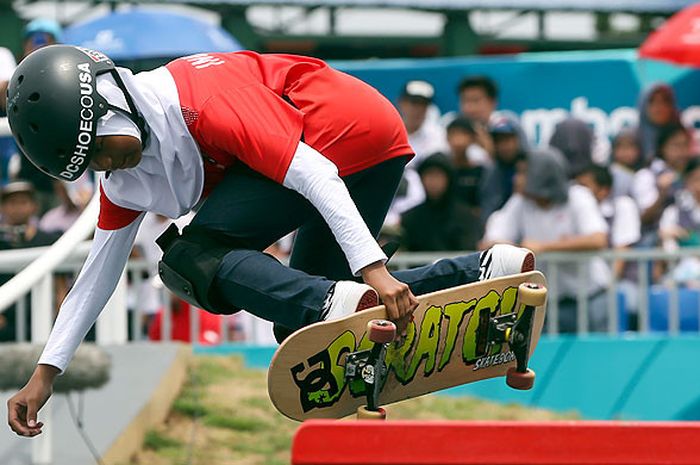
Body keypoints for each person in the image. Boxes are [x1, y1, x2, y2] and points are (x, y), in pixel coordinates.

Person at [5, 45, 535, 437]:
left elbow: (315, 174)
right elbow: (97, 275)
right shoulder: (124, 180)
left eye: (98, 146)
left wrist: (371, 268)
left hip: (338, 130)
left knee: (189, 259)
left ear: (112, 97)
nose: (107, 163)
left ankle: (332, 298)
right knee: (302, 316)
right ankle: (486, 272)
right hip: (374, 142)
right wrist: (47, 371)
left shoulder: (203, 100)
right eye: (90, 164)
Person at [483, 149, 609, 333]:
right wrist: (523, 249)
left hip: (589, 297)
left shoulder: (578, 196)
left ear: (541, 174)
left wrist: (545, 247)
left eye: (523, 173)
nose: (516, 179)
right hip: (547, 301)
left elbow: (598, 239)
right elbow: (490, 242)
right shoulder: (520, 202)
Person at [0, 181, 61, 341]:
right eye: (12, 203)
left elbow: (60, 284)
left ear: (34, 206)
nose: (18, 208)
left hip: (41, 316)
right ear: (3, 207)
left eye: (23, 202)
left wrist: (60, 319)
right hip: (5, 319)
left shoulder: (49, 240)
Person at [400, 154, 481, 252]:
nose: (433, 181)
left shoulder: (465, 215)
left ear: (449, 179)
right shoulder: (410, 218)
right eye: (429, 175)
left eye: (438, 175)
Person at [632, 123, 695, 247]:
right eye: (676, 146)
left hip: (690, 241)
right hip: (655, 243)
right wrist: (661, 194)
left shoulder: (692, 174)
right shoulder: (646, 176)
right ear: (662, 148)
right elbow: (644, 219)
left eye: (685, 145)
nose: (682, 152)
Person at [479, 115, 528, 223]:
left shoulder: (534, 168)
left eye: (508, 140)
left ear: (519, 140)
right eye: (498, 141)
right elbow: (488, 213)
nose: (503, 146)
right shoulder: (491, 173)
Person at [659, 158, 700, 286]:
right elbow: (667, 248)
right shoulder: (673, 212)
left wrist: (687, 235)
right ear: (687, 182)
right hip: (682, 278)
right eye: (696, 180)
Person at [637, 83, 682, 164]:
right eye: (652, 102)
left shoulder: (683, 136)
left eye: (665, 101)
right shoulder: (633, 140)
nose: (659, 108)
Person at [456, 75, 498, 156]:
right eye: (465, 101)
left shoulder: (506, 126)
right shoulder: (449, 124)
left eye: (476, 100)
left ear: (492, 103)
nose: (470, 108)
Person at [609, 128, 643, 199]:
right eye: (620, 147)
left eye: (630, 147)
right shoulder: (611, 172)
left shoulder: (643, 173)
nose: (625, 152)